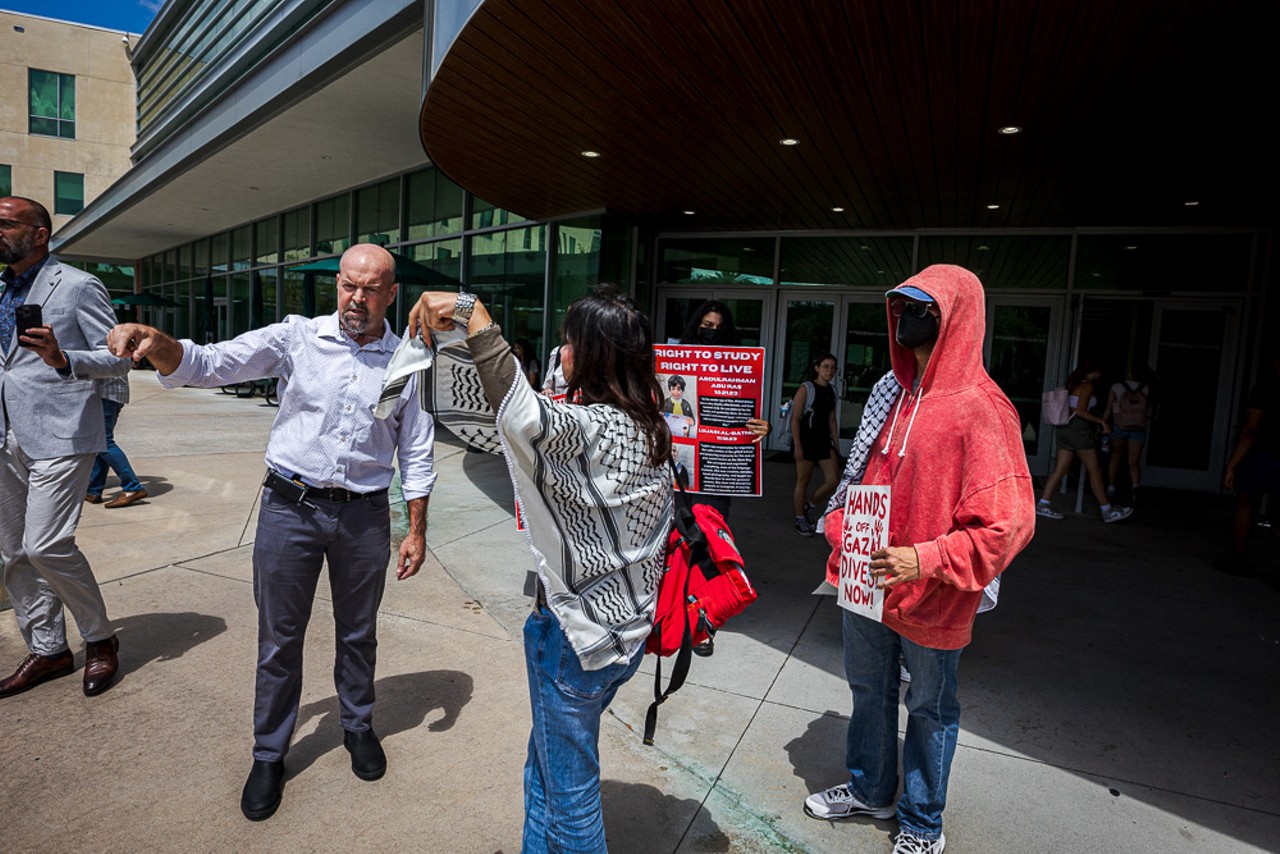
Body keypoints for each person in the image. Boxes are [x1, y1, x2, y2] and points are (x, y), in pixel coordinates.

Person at [107, 243, 437, 821]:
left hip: (363, 516)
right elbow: (213, 363)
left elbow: (415, 445)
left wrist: (416, 527)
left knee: (358, 633)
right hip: (291, 509)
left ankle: (358, 725)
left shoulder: (410, 359)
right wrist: (161, 345)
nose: (356, 298)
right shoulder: (297, 337)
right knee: (280, 640)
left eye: (369, 288)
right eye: (347, 285)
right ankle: (269, 752)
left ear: (391, 294)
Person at [409, 284, 671, 854]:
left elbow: (520, 415)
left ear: (591, 353)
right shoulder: (648, 426)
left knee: (572, 800)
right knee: (545, 772)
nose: (562, 352)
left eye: (569, 342)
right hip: (623, 634)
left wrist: (469, 312)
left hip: (574, 643)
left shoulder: (587, 428)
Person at [804, 265, 1035, 854]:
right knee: (868, 691)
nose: (905, 318)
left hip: (932, 594)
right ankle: (871, 789)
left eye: (921, 309)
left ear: (956, 319)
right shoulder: (897, 395)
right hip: (865, 585)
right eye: (900, 306)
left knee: (929, 709)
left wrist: (925, 558)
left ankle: (921, 824)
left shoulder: (984, 409)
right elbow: (863, 476)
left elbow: (1007, 525)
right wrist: (839, 526)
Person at [0, 196, 128, 701]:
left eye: (6, 224)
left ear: (39, 234)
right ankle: (49, 648)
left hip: (62, 433)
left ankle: (100, 639)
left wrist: (61, 356)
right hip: (5, 432)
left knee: (45, 545)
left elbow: (116, 360)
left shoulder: (77, 286)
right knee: (12, 552)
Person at [677, 300, 771, 518]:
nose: (713, 332)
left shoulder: (734, 372)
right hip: (675, 475)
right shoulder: (674, 360)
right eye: (708, 326)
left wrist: (763, 427)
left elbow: (744, 417)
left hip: (715, 476)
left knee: (711, 536)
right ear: (696, 325)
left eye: (719, 328)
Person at [1035, 362, 1134, 523]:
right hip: (1079, 431)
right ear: (1095, 372)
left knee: (1060, 469)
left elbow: (1072, 409)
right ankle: (1107, 510)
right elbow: (1080, 411)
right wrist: (1101, 421)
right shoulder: (1087, 386)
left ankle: (1043, 504)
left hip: (1064, 429)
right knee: (1095, 470)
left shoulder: (1072, 383)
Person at [1218, 353, 1280, 574]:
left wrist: (1232, 465)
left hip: (1263, 454)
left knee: (1245, 502)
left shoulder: (1265, 389)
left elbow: (1251, 431)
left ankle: (1238, 558)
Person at [790, 354, 840, 536]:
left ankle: (810, 505)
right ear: (817, 368)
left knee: (833, 480)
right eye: (826, 366)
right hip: (805, 440)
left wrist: (836, 443)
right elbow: (795, 419)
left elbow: (832, 419)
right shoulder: (807, 388)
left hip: (823, 441)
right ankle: (800, 519)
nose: (830, 371)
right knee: (803, 481)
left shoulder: (832, 390)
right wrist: (797, 445)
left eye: (833, 367)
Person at [85, 375, 148, 507]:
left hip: (104, 393)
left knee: (103, 441)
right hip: (113, 393)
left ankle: (132, 487)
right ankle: (94, 490)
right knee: (99, 442)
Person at [1102, 366, 1153, 504]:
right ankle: (1135, 485)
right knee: (1134, 461)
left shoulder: (1118, 387)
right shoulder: (1146, 388)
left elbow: (1109, 406)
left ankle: (1111, 486)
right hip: (1138, 427)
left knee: (1116, 456)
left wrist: (1103, 422)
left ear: (1130, 373)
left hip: (1119, 425)